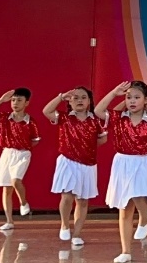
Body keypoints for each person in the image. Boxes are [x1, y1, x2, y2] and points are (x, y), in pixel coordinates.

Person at [97, 81, 147, 263]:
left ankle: (144, 219)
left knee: (138, 195)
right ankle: (126, 251)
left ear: (146, 101)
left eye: (137, 97)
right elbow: (98, 110)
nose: (132, 101)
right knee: (125, 207)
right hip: (123, 162)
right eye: (129, 97)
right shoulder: (119, 118)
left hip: (143, 160)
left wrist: (145, 151)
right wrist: (114, 93)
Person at [44, 87, 106, 247]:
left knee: (83, 201)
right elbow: (46, 111)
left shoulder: (96, 120)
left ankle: (77, 234)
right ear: (70, 102)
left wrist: (86, 146)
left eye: (83, 97)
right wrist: (60, 97)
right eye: (75, 98)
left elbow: (102, 139)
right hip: (68, 161)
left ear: (89, 101)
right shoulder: (64, 118)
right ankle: (65, 224)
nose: (79, 100)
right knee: (67, 196)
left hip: (88, 164)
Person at [0, 88, 40, 232]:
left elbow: (35, 140)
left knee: (16, 181)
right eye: (13, 100)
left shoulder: (30, 122)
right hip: (7, 153)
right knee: (7, 188)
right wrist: (1, 100)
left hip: (23, 153)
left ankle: (23, 202)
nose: (15, 103)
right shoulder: (4, 117)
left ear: (26, 103)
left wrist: (24, 147)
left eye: (19, 100)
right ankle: (9, 221)